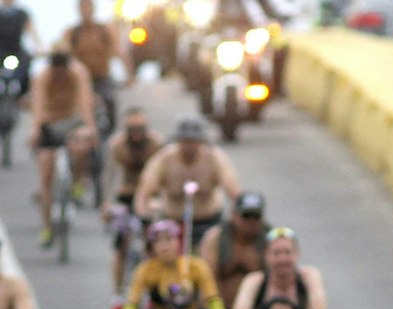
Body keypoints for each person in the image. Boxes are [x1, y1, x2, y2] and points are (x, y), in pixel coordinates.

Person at [222, 227, 336, 309]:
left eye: (287, 253)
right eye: (276, 253)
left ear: (297, 254)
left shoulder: (309, 277)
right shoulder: (255, 281)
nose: (282, 259)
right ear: (266, 256)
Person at [28, 43, 100, 246]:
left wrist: (89, 128)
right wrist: (35, 130)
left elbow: (84, 102)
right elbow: (38, 104)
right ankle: (47, 227)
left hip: (72, 120)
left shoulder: (78, 72)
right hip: (50, 122)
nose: (59, 73)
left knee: (82, 144)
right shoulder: (43, 76)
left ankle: (78, 179)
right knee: (45, 175)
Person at [132, 117, 241, 243]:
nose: (189, 146)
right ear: (178, 141)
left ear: (201, 141)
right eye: (185, 141)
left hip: (209, 223)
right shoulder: (164, 159)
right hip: (173, 225)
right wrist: (144, 218)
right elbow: (144, 193)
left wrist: (238, 217)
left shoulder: (214, 158)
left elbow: (233, 191)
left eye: (193, 141)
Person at [103, 107, 164, 309]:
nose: (137, 133)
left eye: (141, 128)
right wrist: (106, 203)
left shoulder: (157, 144)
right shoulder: (117, 146)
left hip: (149, 198)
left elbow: (162, 173)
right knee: (121, 246)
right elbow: (109, 175)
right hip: (127, 196)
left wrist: (160, 202)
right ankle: (118, 298)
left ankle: (153, 295)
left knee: (155, 246)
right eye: (132, 129)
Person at [60, 0, 119, 131]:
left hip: (101, 76)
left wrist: (130, 72)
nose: (86, 10)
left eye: (88, 7)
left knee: (109, 100)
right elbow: (65, 51)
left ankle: (110, 131)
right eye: (83, 7)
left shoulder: (104, 30)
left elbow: (118, 50)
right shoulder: (72, 32)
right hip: (80, 80)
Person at [0, 0, 40, 91]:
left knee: (26, 75)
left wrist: (39, 48)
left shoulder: (22, 14)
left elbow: (32, 32)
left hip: (17, 52)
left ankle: (23, 96)